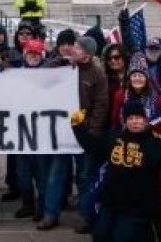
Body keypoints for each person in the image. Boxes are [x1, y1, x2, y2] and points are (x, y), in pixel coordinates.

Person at [83, 98, 161, 242]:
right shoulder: (113, 137)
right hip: (111, 202)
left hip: (137, 207)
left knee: (122, 237)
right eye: (131, 118)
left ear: (145, 120)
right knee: (100, 234)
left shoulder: (155, 142)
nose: (135, 122)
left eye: (139, 118)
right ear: (125, 121)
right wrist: (77, 127)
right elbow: (91, 146)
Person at [43, 35, 108, 233]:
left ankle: (84, 215)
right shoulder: (64, 66)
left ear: (87, 55)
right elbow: (41, 75)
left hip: (84, 133)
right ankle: (50, 214)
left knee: (84, 176)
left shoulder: (97, 75)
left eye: (78, 48)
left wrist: (91, 133)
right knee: (56, 175)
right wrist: (59, 61)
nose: (73, 50)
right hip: (62, 130)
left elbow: (101, 105)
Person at [14, 38, 48, 221]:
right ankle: (28, 204)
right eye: (30, 54)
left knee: (42, 173)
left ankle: (41, 207)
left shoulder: (51, 75)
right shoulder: (16, 74)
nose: (33, 57)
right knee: (23, 174)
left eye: (37, 54)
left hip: (42, 134)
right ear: (25, 55)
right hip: (21, 133)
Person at [112, 54, 161, 140]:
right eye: (134, 76)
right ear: (129, 79)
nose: (137, 79)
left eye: (141, 76)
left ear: (147, 79)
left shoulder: (158, 99)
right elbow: (115, 121)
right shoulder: (120, 96)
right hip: (126, 136)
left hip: (151, 137)